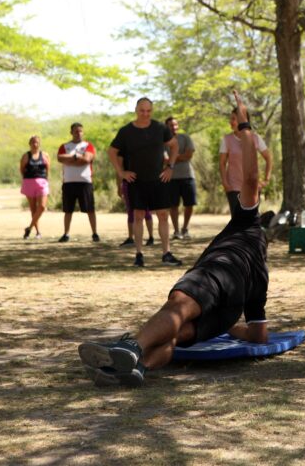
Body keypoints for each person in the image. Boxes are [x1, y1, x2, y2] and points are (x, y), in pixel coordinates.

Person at [80, 90, 268, 387]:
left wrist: (244, 125)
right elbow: (259, 335)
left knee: (179, 305)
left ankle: (132, 347)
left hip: (218, 272)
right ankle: (136, 368)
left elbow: (250, 178)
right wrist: (233, 329)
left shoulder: (246, 223)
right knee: (176, 334)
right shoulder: (261, 272)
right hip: (229, 310)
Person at [108, 97, 182, 267]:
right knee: (138, 216)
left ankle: (166, 254)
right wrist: (121, 172)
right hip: (136, 181)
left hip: (159, 179)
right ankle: (139, 255)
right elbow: (112, 152)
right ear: (136, 110)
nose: (145, 114)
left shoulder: (160, 128)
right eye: (142, 110)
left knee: (163, 215)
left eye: (148, 111)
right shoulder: (126, 131)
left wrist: (170, 167)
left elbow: (174, 146)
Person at [220, 107, 272, 214]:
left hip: (252, 187)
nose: (230, 122)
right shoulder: (227, 139)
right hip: (234, 187)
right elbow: (222, 163)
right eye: (230, 119)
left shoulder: (255, 138)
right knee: (237, 221)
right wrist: (225, 182)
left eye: (233, 119)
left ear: (242, 120)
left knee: (250, 220)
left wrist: (266, 180)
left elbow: (269, 158)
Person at [57, 122, 99, 243]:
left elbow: (87, 159)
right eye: (76, 131)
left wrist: (71, 159)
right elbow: (60, 158)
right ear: (71, 132)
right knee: (68, 210)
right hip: (69, 182)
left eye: (80, 131)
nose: (78, 133)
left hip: (85, 181)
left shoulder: (88, 145)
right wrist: (77, 157)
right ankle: (66, 234)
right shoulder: (64, 146)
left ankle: (95, 233)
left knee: (90, 209)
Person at [165, 116, 197, 240]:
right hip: (171, 178)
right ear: (166, 127)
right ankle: (176, 231)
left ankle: (185, 229)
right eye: (171, 125)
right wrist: (178, 157)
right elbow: (164, 159)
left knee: (189, 204)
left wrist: (172, 159)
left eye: (175, 125)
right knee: (173, 206)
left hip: (188, 176)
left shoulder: (185, 138)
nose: (174, 127)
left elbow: (189, 155)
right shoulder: (164, 142)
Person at [20, 135, 51, 240]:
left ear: (39, 143)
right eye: (33, 142)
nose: (35, 144)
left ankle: (28, 228)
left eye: (37, 142)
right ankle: (37, 232)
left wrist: (46, 179)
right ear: (29, 144)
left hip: (42, 183)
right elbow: (22, 169)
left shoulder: (45, 155)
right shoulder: (26, 156)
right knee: (33, 209)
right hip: (29, 182)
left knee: (42, 207)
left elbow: (48, 168)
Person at [118, 173, 155, 247]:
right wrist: (119, 186)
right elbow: (119, 170)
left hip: (143, 181)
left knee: (145, 210)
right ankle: (131, 238)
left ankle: (150, 237)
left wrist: (119, 186)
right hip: (129, 183)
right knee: (131, 210)